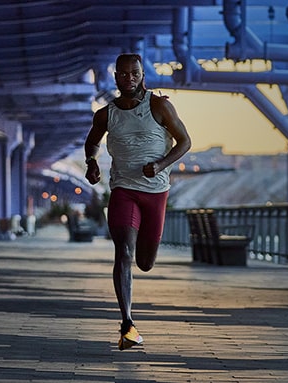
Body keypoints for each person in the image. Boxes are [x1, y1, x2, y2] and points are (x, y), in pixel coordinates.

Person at [84, 53, 192, 350]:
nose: (129, 78)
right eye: (123, 73)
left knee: (144, 262)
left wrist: (161, 165)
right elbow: (92, 142)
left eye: (135, 73)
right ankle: (128, 324)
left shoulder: (159, 106)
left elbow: (185, 141)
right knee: (124, 252)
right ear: (115, 77)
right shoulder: (105, 114)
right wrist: (91, 163)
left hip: (156, 192)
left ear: (143, 74)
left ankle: (129, 321)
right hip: (123, 190)